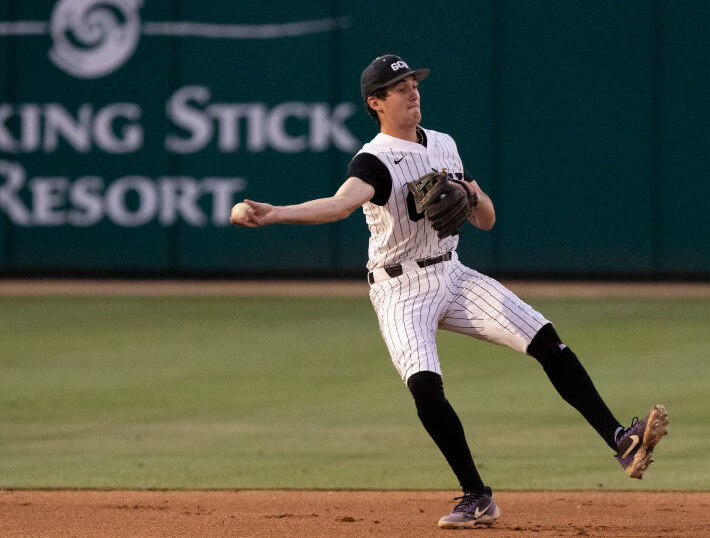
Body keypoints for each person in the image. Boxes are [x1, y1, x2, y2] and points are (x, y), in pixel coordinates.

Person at [232, 54, 668, 529]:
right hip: (400, 288)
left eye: (413, 82)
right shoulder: (373, 160)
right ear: (376, 102)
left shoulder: (443, 144)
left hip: (452, 274)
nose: (412, 91)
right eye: (399, 88)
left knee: (545, 338)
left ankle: (622, 441)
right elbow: (339, 205)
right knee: (425, 387)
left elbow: (486, 220)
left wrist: (473, 196)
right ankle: (476, 495)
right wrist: (275, 212)